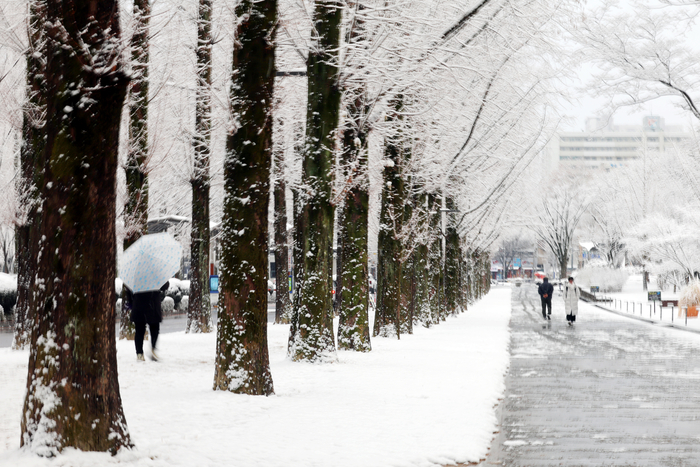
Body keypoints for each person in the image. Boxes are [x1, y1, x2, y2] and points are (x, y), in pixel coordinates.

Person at [124, 282, 168, 361]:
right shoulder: (155, 274)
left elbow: (129, 289)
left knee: (140, 331)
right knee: (154, 329)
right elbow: (165, 286)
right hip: (152, 304)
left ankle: (140, 353)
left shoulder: (136, 275)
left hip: (139, 304)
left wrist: (131, 302)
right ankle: (152, 348)